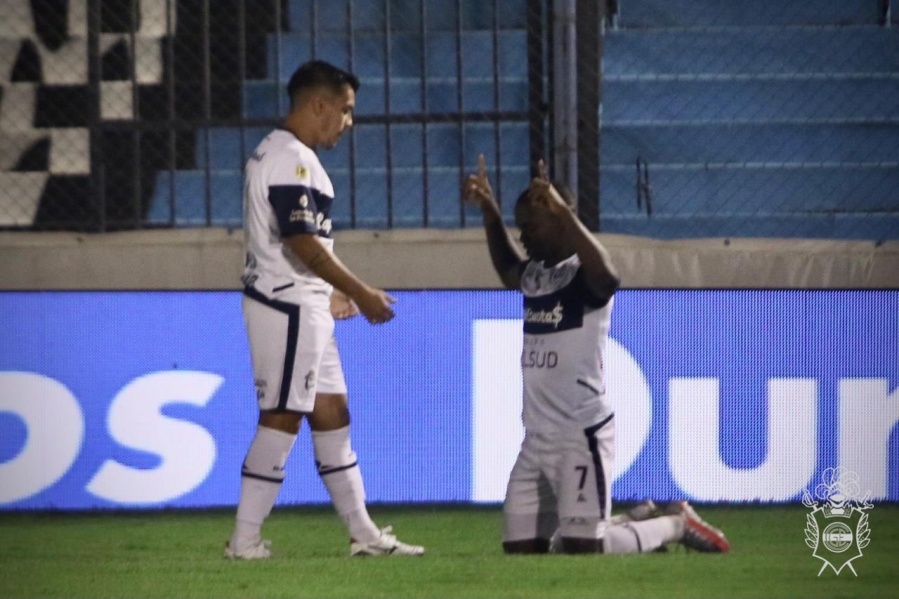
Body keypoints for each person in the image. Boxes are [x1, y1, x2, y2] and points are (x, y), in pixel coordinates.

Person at [463, 154, 730, 555]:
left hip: (580, 433)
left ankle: (674, 524)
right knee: (522, 551)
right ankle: (631, 519)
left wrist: (567, 216)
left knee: (584, 550)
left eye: (531, 226)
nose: (524, 237)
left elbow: (610, 277)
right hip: (537, 437)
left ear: (559, 220)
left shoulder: (582, 275)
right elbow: (506, 269)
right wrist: (490, 213)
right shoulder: (537, 275)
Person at [225, 60, 424, 559]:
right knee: (283, 416)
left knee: (332, 413)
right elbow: (299, 241)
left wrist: (330, 289)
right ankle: (244, 540)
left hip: (303, 301)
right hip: (286, 304)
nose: (348, 121)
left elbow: (306, 244)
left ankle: (364, 534)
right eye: (346, 109)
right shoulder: (292, 159)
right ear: (318, 104)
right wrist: (359, 290)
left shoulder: (280, 153)